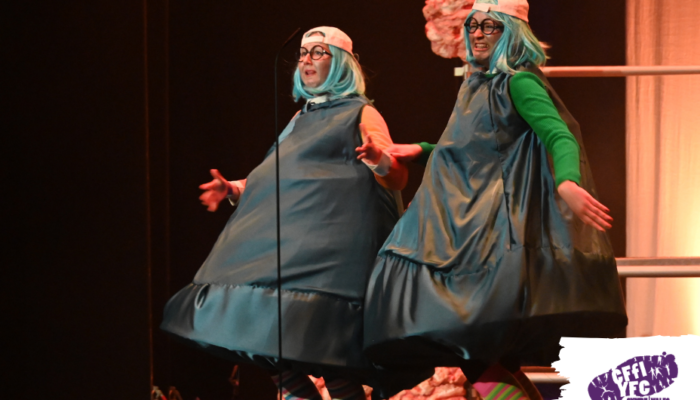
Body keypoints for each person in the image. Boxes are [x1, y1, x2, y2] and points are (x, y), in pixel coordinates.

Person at [359, 1, 628, 399]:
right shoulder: (477, 85)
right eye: (473, 26)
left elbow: (558, 134)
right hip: (466, 229)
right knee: (482, 355)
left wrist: (567, 182)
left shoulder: (518, 83)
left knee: (469, 346)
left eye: (491, 26)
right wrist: (422, 149)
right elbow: (472, 147)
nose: (478, 34)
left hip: (490, 235)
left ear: (512, 34)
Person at [161, 27, 427, 400]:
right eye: (303, 53)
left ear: (342, 63)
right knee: (271, 349)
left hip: (329, 257)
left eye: (318, 52)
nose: (306, 60)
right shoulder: (301, 117)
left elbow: (396, 177)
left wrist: (378, 159)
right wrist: (233, 188)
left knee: (327, 357)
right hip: (290, 248)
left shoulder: (361, 112)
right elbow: (275, 174)